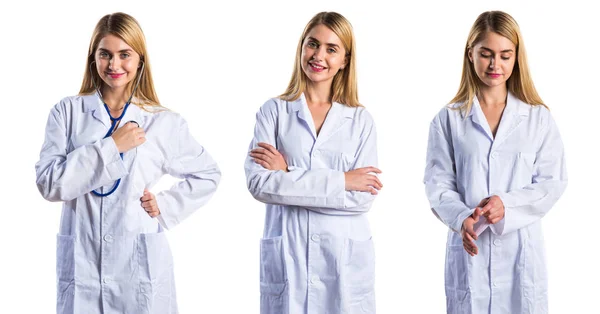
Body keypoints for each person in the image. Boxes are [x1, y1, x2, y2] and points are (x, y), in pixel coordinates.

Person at [35, 12, 221, 314]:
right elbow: (49, 183)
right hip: (83, 269)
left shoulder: (162, 122)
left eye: (125, 55)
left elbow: (208, 174)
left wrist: (166, 205)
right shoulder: (67, 113)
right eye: (105, 54)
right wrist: (112, 146)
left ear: (140, 60)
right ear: (93, 58)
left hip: (139, 271)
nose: (114, 64)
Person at [424, 10, 567, 313]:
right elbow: (437, 185)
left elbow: (552, 183)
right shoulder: (447, 120)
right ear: (470, 54)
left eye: (505, 55)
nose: (494, 65)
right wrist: (462, 216)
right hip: (469, 252)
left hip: (521, 254)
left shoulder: (537, 118)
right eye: (486, 54)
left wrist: (507, 205)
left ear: (516, 57)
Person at [244, 11, 382, 314]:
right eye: (312, 44)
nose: (319, 56)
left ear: (345, 59)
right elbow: (259, 184)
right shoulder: (274, 112)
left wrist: (287, 174)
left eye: (331, 49)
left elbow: (361, 198)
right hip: (289, 258)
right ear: (301, 47)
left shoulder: (360, 120)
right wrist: (342, 180)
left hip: (342, 262)